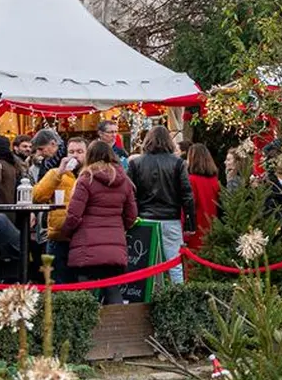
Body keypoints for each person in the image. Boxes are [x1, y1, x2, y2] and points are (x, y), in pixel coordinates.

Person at [60, 140, 138, 304]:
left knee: (84, 290)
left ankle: (84, 328)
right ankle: (117, 326)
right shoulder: (124, 181)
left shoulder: (86, 179)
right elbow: (131, 216)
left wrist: (65, 232)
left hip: (86, 244)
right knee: (111, 287)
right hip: (114, 244)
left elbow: (74, 215)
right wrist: (118, 228)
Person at [128, 126, 195, 284]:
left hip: (144, 218)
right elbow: (187, 194)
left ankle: (148, 300)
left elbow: (130, 193)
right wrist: (190, 221)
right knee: (175, 264)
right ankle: (179, 298)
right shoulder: (177, 163)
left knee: (146, 263)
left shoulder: (136, 163)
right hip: (170, 218)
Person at [33, 136, 88, 284]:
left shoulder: (90, 175)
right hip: (59, 236)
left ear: (87, 154)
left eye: (80, 151)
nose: (75, 155)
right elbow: (37, 196)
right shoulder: (55, 173)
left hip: (84, 238)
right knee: (58, 282)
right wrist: (59, 173)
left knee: (82, 283)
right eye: (71, 152)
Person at [185, 144, 222, 271]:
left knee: (192, 267)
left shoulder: (191, 180)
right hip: (211, 227)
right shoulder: (214, 181)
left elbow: (188, 205)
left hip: (196, 228)